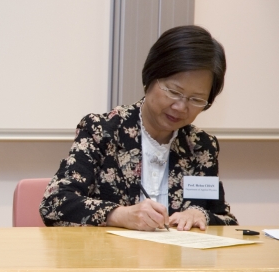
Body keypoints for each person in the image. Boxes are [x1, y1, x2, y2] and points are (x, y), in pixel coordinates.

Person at [39, 25, 237, 231]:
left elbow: (227, 220)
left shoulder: (201, 147)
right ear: (151, 77)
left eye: (196, 99)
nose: (180, 107)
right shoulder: (102, 131)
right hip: (111, 259)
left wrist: (201, 214)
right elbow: (54, 203)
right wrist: (120, 215)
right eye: (173, 91)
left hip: (175, 261)